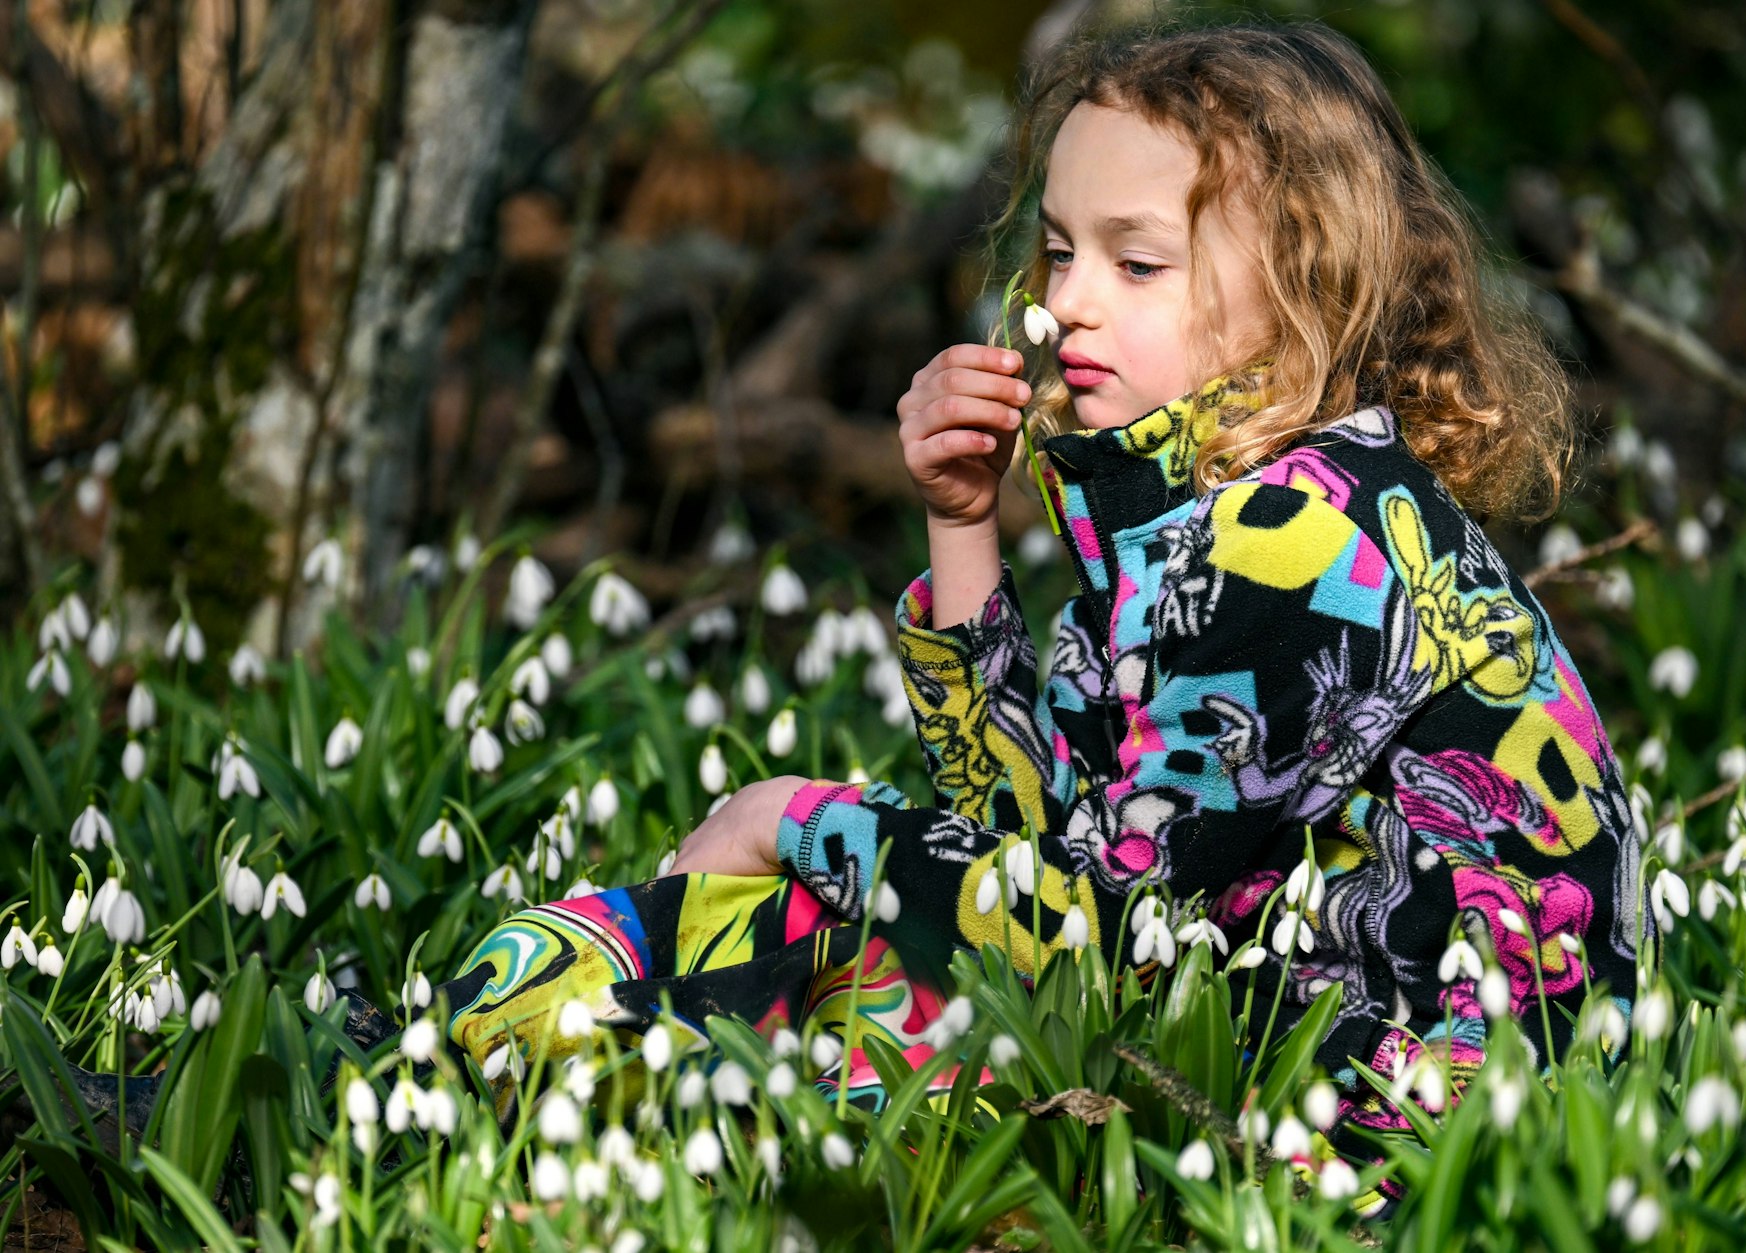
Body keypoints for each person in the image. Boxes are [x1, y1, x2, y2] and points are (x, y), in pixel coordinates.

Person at [443, 15, 1646, 1204]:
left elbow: (1086, 937)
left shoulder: (1300, 547)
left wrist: (795, 815)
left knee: (761, 977)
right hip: (1271, 1045)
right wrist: (960, 519)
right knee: (796, 946)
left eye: (1134, 263)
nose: (1066, 300)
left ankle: (516, 1069)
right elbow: (1029, 840)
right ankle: (539, 1053)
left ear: (1306, 287)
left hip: (1389, 1127)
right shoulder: (1210, 517)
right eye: (1059, 249)